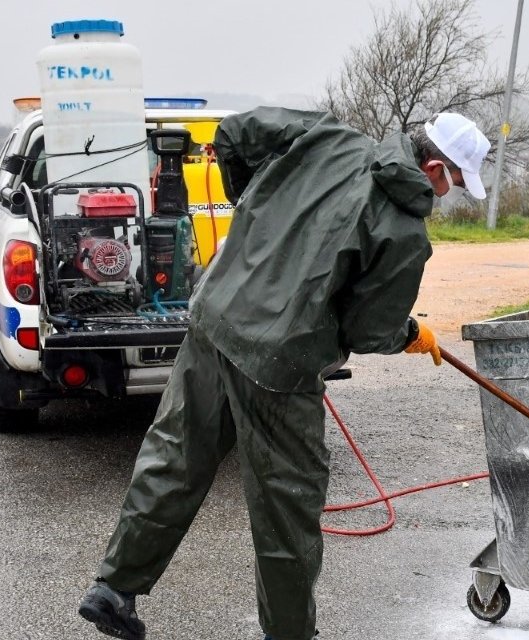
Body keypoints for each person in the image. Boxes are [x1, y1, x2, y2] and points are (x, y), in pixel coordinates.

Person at [78, 108, 490, 640]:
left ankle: (114, 590)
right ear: (434, 167)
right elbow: (369, 331)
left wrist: (252, 214)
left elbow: (235, 132)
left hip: (216, 315)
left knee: (175, 459)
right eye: (453, 183)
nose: (448, 195)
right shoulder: (405, 231)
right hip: (280, 365)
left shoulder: (330, 138)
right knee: (286, 511)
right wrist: (406, 334)